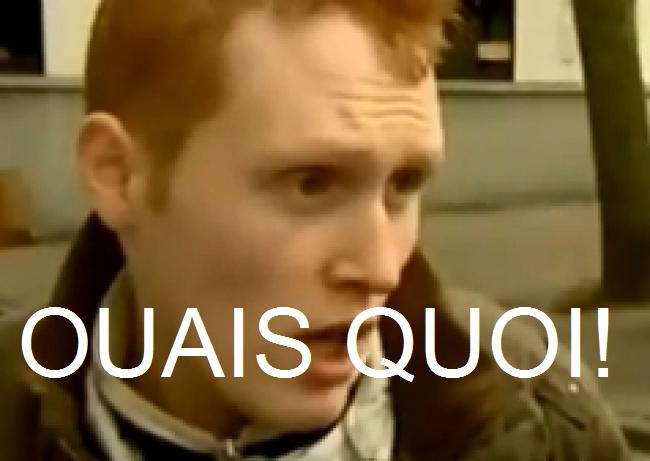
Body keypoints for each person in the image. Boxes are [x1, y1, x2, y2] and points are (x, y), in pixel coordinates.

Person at [0, 0, 632, 459]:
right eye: (311, 184)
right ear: (118, 175)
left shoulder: (542, 424)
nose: (381, 268)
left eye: (404, 184)